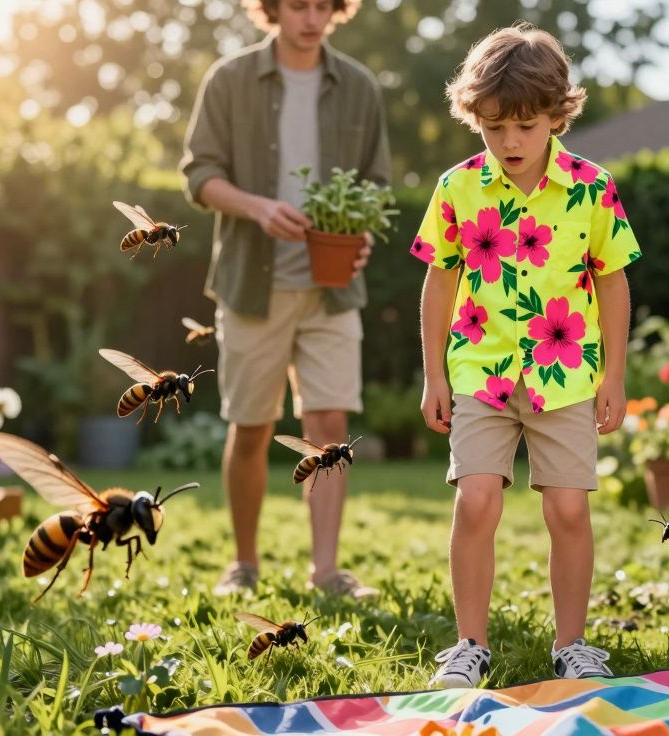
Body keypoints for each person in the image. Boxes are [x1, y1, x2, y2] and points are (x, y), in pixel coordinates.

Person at [410, 23, 642, 687]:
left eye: (525, 125)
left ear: (556, 115)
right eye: (493, 126)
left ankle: (572, 645)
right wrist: (434, 375)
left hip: (565, 376)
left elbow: (613, 281)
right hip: (479, 370)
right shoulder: (458, 188)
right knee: (476, 501)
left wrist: (614, 376)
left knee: (568, 510)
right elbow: (439, 281)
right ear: (473, 116)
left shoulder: (592, 189)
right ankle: (469, 646)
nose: (509, 141)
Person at [180, 0, 390, 599]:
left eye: (324, 6)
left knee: (329, 426)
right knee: (252, 428)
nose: (311, 18)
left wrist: (362, 236)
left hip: (333, 289)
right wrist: (258, 208)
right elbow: (199, 174)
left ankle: (326, 571)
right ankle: (243, 564)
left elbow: (375, 184)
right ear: (272, 8)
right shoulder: (229, 79)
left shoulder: (359, 85)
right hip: (253, 282)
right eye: (298, 5)